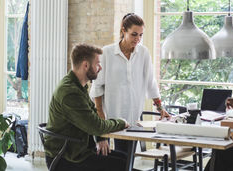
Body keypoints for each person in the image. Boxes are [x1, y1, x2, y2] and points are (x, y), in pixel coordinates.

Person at [90, 13, 170, 153]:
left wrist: (160, 108)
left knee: (126, 159)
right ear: (123, 31)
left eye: (140, 35)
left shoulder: (143, 53)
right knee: (104, 157)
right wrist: (100, 119)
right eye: (134, 34)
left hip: (132, 118)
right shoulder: (107, 53)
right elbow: (97, 87)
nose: (138, 39)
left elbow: (151, 82)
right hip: (109, 117)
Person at [44, 43, 129, 171]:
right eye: (97, 64)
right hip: (66, 158)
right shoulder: (70, 92)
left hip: (78, 150)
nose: (100, 67)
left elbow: (93, 116)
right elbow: (97, 126)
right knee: (122, 165)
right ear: (86, 65)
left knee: (124, 159)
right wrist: (121, 123)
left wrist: (100, 138)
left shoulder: (77, 85)